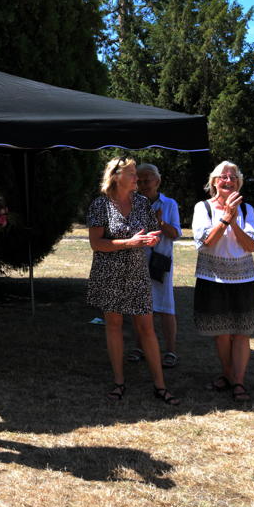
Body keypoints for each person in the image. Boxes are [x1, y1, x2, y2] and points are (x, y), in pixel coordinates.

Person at [86, 157, 178, 405]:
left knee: (146, 328)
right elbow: (96, 244)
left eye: (136, 174)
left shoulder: (141, 203)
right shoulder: (100, 205)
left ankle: (160, 385)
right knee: (114, 326)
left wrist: (150, 239)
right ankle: (119, 381)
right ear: (116, 176)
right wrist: (129, 243)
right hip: (109, 274)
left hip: (138, 273)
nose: (137, 178)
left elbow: (149, 232)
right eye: (132, 173)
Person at [193, 161, 254, 402]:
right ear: (214, 182)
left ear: (238, 183)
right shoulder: (202, 208)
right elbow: (204, 244)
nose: (228, 180)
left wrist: (234, 220)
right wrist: (224, 219)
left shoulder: (248, 210)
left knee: (242, 333)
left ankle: (239, 382)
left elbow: (253, 245)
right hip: (213, 278)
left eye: (233, 177)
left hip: (244, 278)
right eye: (223, 177)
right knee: (222, 333)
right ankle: (228, 375)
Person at [134, 163, 181, 369]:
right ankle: (140, 347)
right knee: (139, 306)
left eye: (147, 180)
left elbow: (176, 234)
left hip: (160, 262)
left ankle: (170, 351)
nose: (143, 184)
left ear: (158, 181)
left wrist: (160, 223)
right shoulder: (132, 203)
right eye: (140, 181)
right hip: (137, 261)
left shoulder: (169, 204)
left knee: (165, 307)